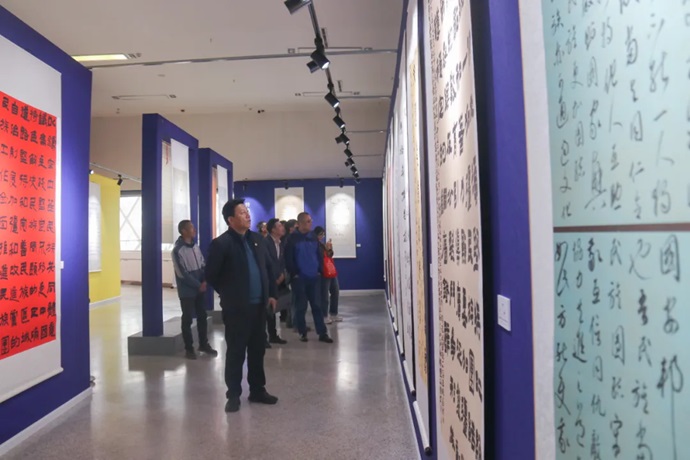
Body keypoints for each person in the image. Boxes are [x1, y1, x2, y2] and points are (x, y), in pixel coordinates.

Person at [205, 199, 279, 413]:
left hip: (259, 307)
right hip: (237, 309)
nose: (247, 215)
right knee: (236, 352)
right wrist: (229, 294)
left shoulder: (257, 239)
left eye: (247, 211)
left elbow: (268, 269)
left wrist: (271, 294)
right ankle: (234, 395)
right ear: (230, 219)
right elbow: (212, 275)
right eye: (241, 212)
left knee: (257, 351)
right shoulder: (221, 244)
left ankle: (257, 390)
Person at [172, 220, 218, 360]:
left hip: (199, 289)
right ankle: (189, 348)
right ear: (183, 231)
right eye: (191, 228)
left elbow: (202, 264)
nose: (194, 230)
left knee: (202, 316)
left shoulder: (195, 247)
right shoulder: (177, 250)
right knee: (187, 319)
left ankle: (203, 344)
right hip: (187, 291)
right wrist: (198, 285)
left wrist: (204, 280)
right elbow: (182, 274)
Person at [285, 212, 334, 343]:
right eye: (308, 221)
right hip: (299, 279)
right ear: (300, 223)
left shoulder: (312, 237)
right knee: (301, 306)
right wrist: (294, 273)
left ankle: (322, 333)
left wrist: (319, 270)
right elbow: (288, 258)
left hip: (314, 277)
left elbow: (318, 254)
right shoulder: (292, 239)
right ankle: (302, 332)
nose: (310, 223)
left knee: (317, 306)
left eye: (310, 221)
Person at [264, 218, 288, 347]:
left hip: (278, 280)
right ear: (273, 229)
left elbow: (281, 262)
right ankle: (264, 337)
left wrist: (282, 275)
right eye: (279, 226)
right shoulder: (266, 243)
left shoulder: (280, 243)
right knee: (266, 309)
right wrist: (273, 279)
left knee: (273, 308)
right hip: (269, 280)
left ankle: (273, 335)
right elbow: (266, 263)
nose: (282, 228)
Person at [314, 226, 342, 324]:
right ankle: (324, 315)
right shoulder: (313, 244)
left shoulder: (321, 244)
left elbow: (329, 256)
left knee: (335, 291)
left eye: (323, 234)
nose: (322, 236)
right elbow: (318, 257)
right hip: (322, 273)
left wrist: (329, 249)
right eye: (320, 234)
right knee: (324, 295)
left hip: (330, 271)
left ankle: (333, 313)